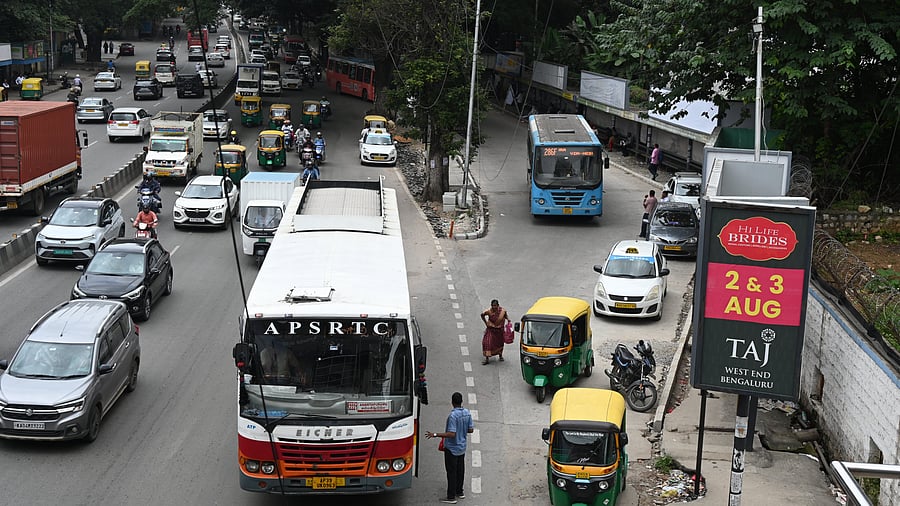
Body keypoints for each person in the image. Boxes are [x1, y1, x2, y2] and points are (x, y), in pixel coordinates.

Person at [425, 392, 474, 504]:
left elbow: (451, 434)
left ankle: (451, 497)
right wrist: (462, 429)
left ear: (452, 402)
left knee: (451, 472)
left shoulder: (452, 416)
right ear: (461, 401)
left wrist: (435, 434)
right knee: (460, 470)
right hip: (462, 447)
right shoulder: (467, 413)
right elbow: (471, 430)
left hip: (452, 448)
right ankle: (459, 492)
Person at [480, 299, 509, 365]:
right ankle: (487, 359)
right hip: (490, 330)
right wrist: (486, 323)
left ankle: (500, 356)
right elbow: (482, 315)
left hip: (499, 331)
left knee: (499, 344)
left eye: (495, 305)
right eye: (493, 305)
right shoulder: (489, 312)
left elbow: (506, 316)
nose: (494, 307)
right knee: (487, 343)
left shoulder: (502, 311)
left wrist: (508, 320)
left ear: (498, 305)